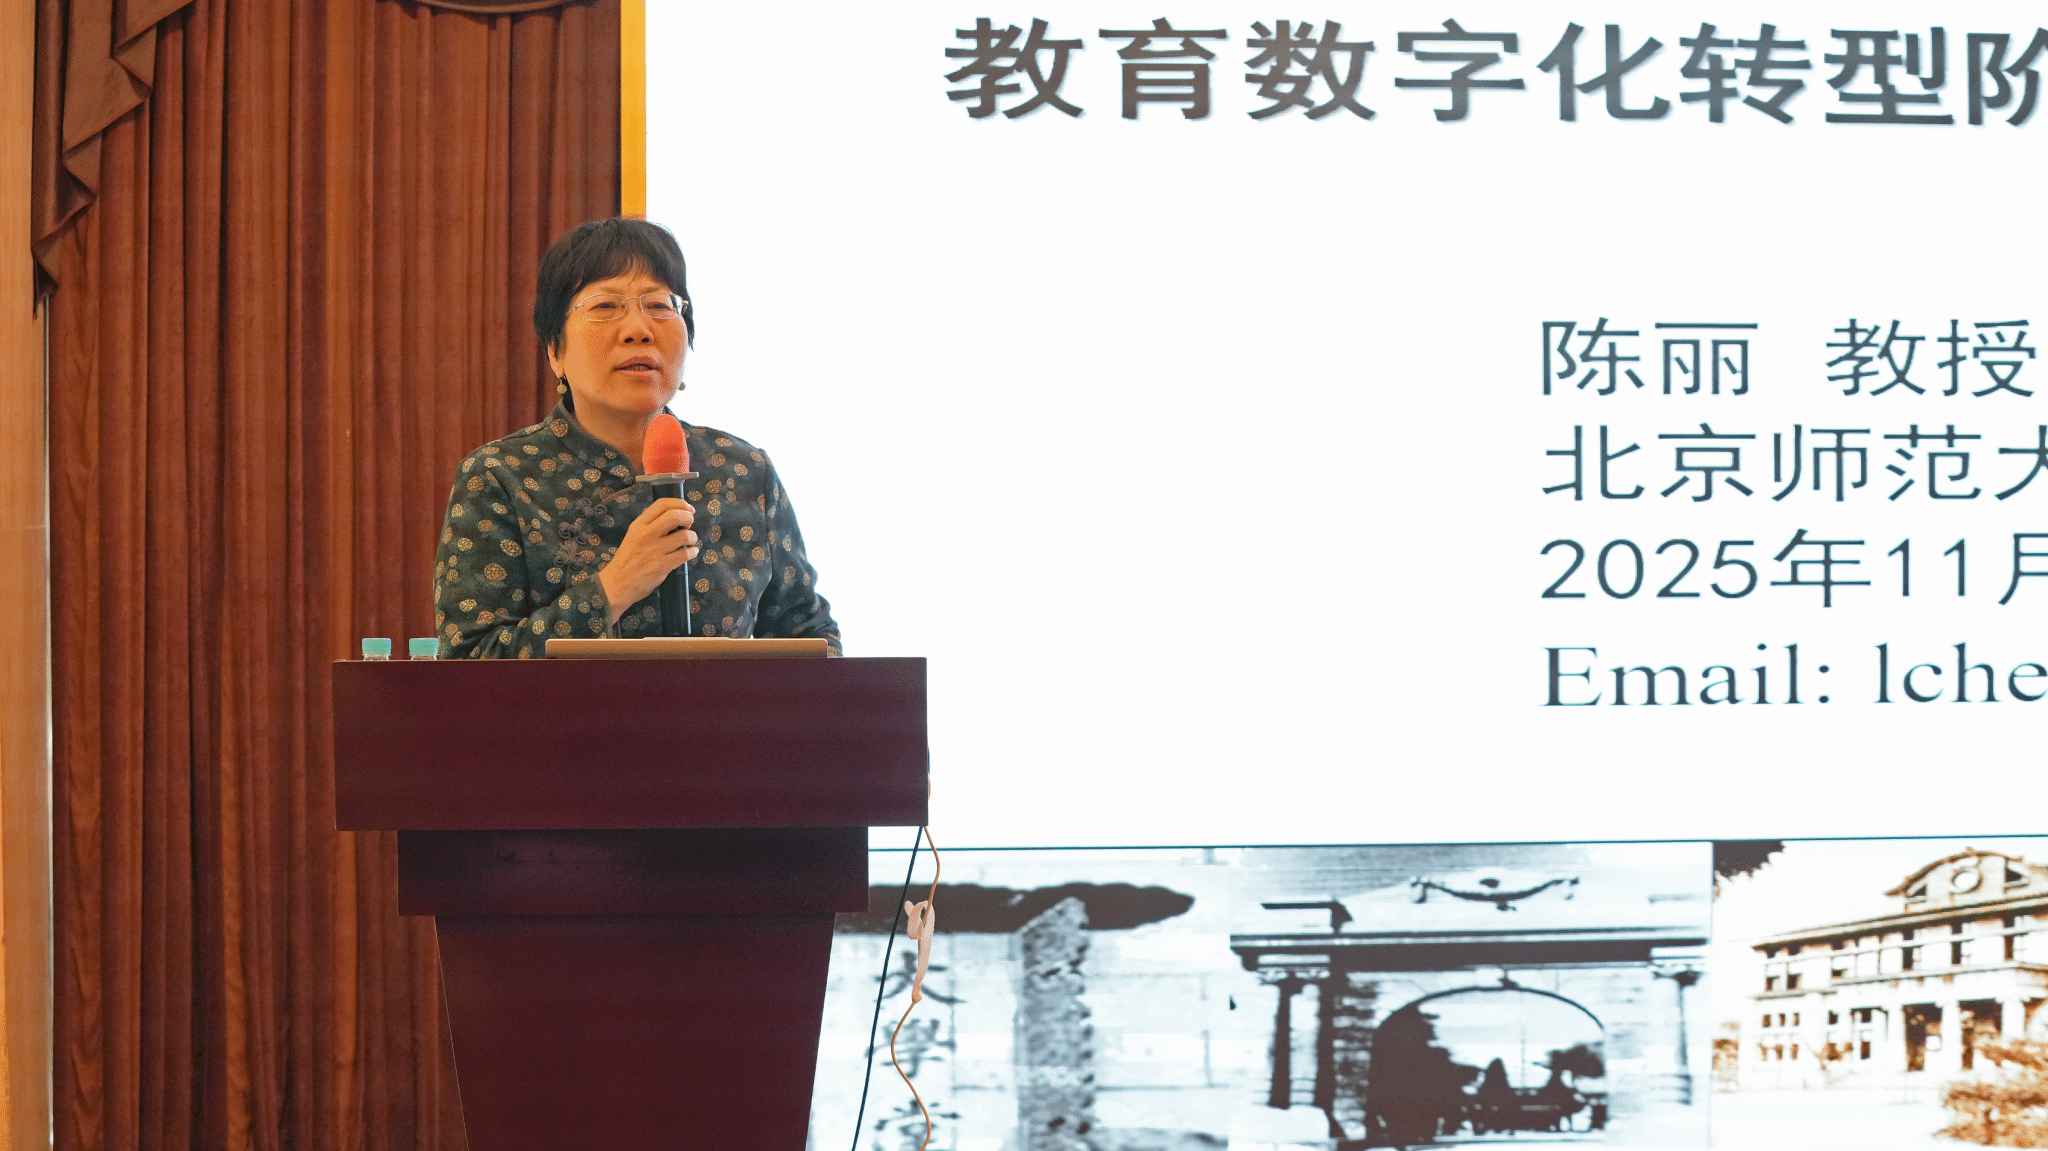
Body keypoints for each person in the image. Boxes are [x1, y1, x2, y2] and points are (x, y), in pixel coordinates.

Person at [433, 217, 840, 657]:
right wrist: (613, 588)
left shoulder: (744, 471)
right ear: (555, 351)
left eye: (659, 305)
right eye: (606, 306)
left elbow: (812, 640)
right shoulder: (499, 477)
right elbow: (469, 662)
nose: (638, 330)